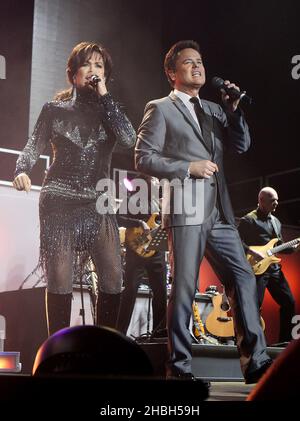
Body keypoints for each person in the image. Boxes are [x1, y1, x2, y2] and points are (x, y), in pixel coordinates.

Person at [135, 39, 272, 383]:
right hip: (184, 207)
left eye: (200, 62)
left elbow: (241, 145)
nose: (197, 66)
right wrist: (187, 167)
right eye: (188, 62)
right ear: (171, 73)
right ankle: (178, 369)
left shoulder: (214, 109)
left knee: (242, 277)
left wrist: (235, 110)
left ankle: (255, 362)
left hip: (219, 213)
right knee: (184, 288)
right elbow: (143, 157)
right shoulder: (160, 108)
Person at [13, 41, 136, 336]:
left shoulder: (110, 112)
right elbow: (33, 146)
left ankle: (104, 347)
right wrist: (21, 170)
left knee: (113, 276)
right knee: (60, 278)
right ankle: (58, 350)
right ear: (73, 73)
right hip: (60, 201)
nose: (93, 71)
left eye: (99, 66)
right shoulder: (54, 110)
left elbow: (130, 139)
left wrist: (105, 97)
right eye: (87, 64)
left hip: (98, 203)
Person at [238, 187, 298, 343]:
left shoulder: (276, 221)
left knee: (289, 302)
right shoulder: (248, 220)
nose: (276, 203)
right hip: (257, 270)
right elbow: (236, 242)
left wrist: (294, 248)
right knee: (254, 307)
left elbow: (281, 246)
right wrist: (250, 250)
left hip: (274, 270)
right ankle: (255, 343)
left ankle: (284, 342)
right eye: (273, 201)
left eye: (277, 200)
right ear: (261, 201)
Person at [116, 175, 167, 338]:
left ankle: (158, 334)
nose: (157, 182)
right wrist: (138, 223)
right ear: (146, 181)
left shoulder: (160, 202)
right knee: (130, 290)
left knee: (160, 292)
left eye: (157, 181)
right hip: (135, 249)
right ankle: (119, 334)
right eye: (154, 180)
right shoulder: (133, 198)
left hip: (155, 250)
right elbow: (118, 218)